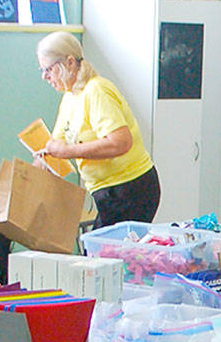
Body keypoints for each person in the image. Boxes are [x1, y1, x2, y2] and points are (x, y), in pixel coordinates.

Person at [34, 31, 161, 228]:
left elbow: (121, 142)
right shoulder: (70, 97)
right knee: (95, 251)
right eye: (42, 71)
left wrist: (67, 152)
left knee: (102, 254)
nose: (45, 77)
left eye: (49, 69)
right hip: (106, 192)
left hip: (130, 187)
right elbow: (56, 144)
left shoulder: (96, 90)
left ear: (69, 62)